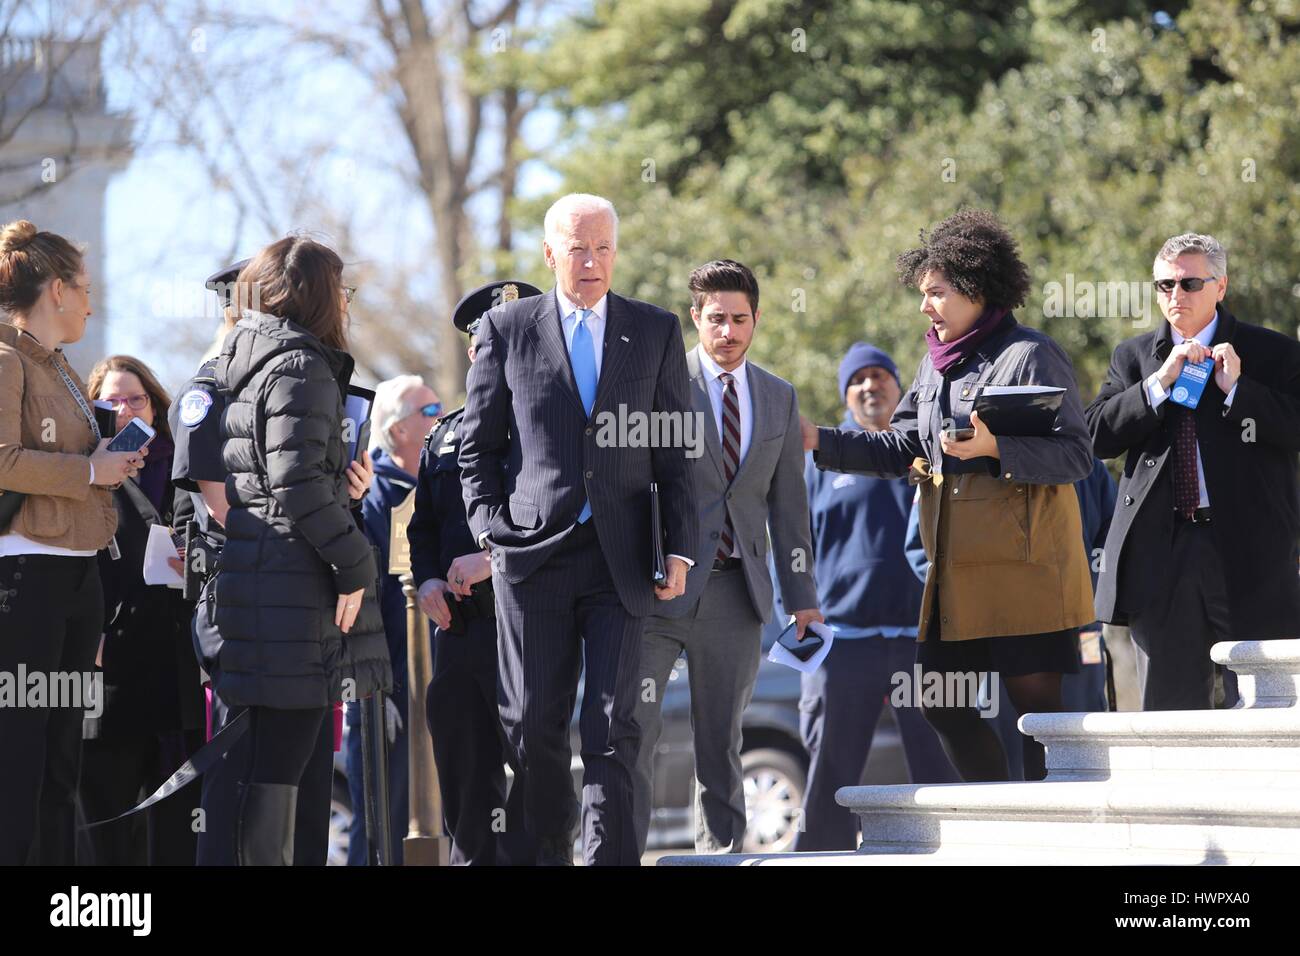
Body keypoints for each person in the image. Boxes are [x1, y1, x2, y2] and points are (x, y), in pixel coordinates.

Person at [801, 209, 1095, 782]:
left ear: (975, 289)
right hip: (954, 576)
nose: (924, 306)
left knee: (1039, 720)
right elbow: (901, 446)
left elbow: (1077, 457)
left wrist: (995, 448)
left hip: (1026, 570)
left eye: (935, 293)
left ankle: (1054, 835)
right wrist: (821, 441)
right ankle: (1001, 818)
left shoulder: (1031, 352)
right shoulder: (932, 367)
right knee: (939, 702)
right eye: (923, 293)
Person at [458, 194, 698, 865]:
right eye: (576, 248)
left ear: (615, 252)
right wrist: (491, 532)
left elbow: (676, 452)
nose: (590, 262)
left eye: (602, 248)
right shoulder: (508, 329)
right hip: (533, 559)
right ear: (549, 253)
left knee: (614, 727)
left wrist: (678, 546)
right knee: (533, 727)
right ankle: (548, 853)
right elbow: (476, 448)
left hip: (623, 558)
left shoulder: (654, 330)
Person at [177, 259, 371, 866]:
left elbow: (294, 477)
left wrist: (345, 491)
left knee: (296, 781)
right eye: (341, 290)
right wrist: (349, 557)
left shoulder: (283, 364)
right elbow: (234, 497)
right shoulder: (238, 374)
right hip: (263, 590)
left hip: (292, 588)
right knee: (250, 777)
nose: (347, 302)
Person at [631, 259, 820, 856]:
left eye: (741, 319)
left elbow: (790, 508)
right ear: (696, 318)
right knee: (632, 730)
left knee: (721, 741)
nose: (729, 332)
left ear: (757, 319)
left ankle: (722, 856)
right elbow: (633, 487)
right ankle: (622, 851)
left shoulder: (779, 397)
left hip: (737, 594)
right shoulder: (659, 385)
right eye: (717, 319)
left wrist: (804, 600)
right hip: (659, 589)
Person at [1085, 232, 1300, 710]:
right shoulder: (1134, 356)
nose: (1175, 296)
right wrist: (1158, 385)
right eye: (1164, 285)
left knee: (1268, 708)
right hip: (1163, 556)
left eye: (1189, 284)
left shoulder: (1275, 353)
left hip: (1252, 555)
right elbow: (1097, 436)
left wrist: (1239, 391)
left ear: (1220, 287)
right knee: (1169, 715)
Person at [0, 219, 141, 864]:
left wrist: (109, 455)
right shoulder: (4, 360)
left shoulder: (58, 365)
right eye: (84, 288)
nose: (91, 301)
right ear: (56, 290)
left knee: (62, 763)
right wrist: (90, 470)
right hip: (26, 582)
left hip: (79, 582)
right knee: (20, 758)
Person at [793, 342, 958, 853]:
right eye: (857, 379)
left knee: (943, 759)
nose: (870, 386)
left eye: (880, 376)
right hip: (844, 644)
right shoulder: (819, 460)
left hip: (921, 639)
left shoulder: (925, 453)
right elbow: (793, 541)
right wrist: (797, 622)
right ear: (846, 393)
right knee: (831, 769)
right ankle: (820, 859)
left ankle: (955, 853)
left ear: (898, 386)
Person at [408, 280, 540, 865]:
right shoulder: (445, 435)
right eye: (490, 341)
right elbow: (424, 529)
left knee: (538, 776)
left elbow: (571, 521)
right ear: (473, 352)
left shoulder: (553, 426)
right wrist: (430, 578)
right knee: (465, 778)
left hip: (534, 626)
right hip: (460, 634)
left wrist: (494, 560)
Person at [79, 355, 206, 865]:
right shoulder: (87, 468)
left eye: (137, 399)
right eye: (111, 401)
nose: (126, 409)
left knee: (179, 820)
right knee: (108, 816)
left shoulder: (186, 464)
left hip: (179, 661)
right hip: (111, 664)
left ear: (156, 404)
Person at [343, 373, 436, 865]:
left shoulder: (439, 482)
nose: (440, 418)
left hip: (432, 681)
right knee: (382, 822)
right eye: (430, 409)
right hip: (387, 683)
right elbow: (370, 593)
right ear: (399, 428)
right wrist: (378, 688)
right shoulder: (375, 491)